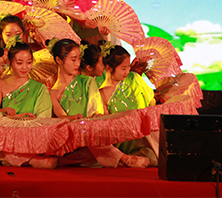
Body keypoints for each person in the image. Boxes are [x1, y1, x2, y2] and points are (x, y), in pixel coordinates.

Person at [48, 38, 149, 168]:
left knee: (129, 115)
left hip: (92, 132)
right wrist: (75, 118)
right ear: (59, 60)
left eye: (79, 59)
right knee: (85, 133)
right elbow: (61, 118)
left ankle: (109, 156)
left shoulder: (87, 81)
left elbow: (95, 110)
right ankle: (123, 158)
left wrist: (92, 117)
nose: (77, 63)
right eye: (73, 60)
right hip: (74, 136)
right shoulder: (53, 93)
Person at [0, 39, 56, 168]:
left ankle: (12, 158)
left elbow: (43, 119)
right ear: (10, 62)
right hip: (7, 132)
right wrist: (6, 111)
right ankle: (23, 159)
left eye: (29, 62)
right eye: (19, 63)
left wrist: (24, 119)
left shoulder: (39, 88)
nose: (25, 67)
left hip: (28, 133)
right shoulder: (0, 84)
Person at [100, 45, 157, 167]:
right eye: (123, 68)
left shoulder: (134, 78)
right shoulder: (101, 92)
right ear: (109, 68)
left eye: (128, 67)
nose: (127, 71)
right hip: (122, 138)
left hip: (145, 133)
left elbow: (151, 103)